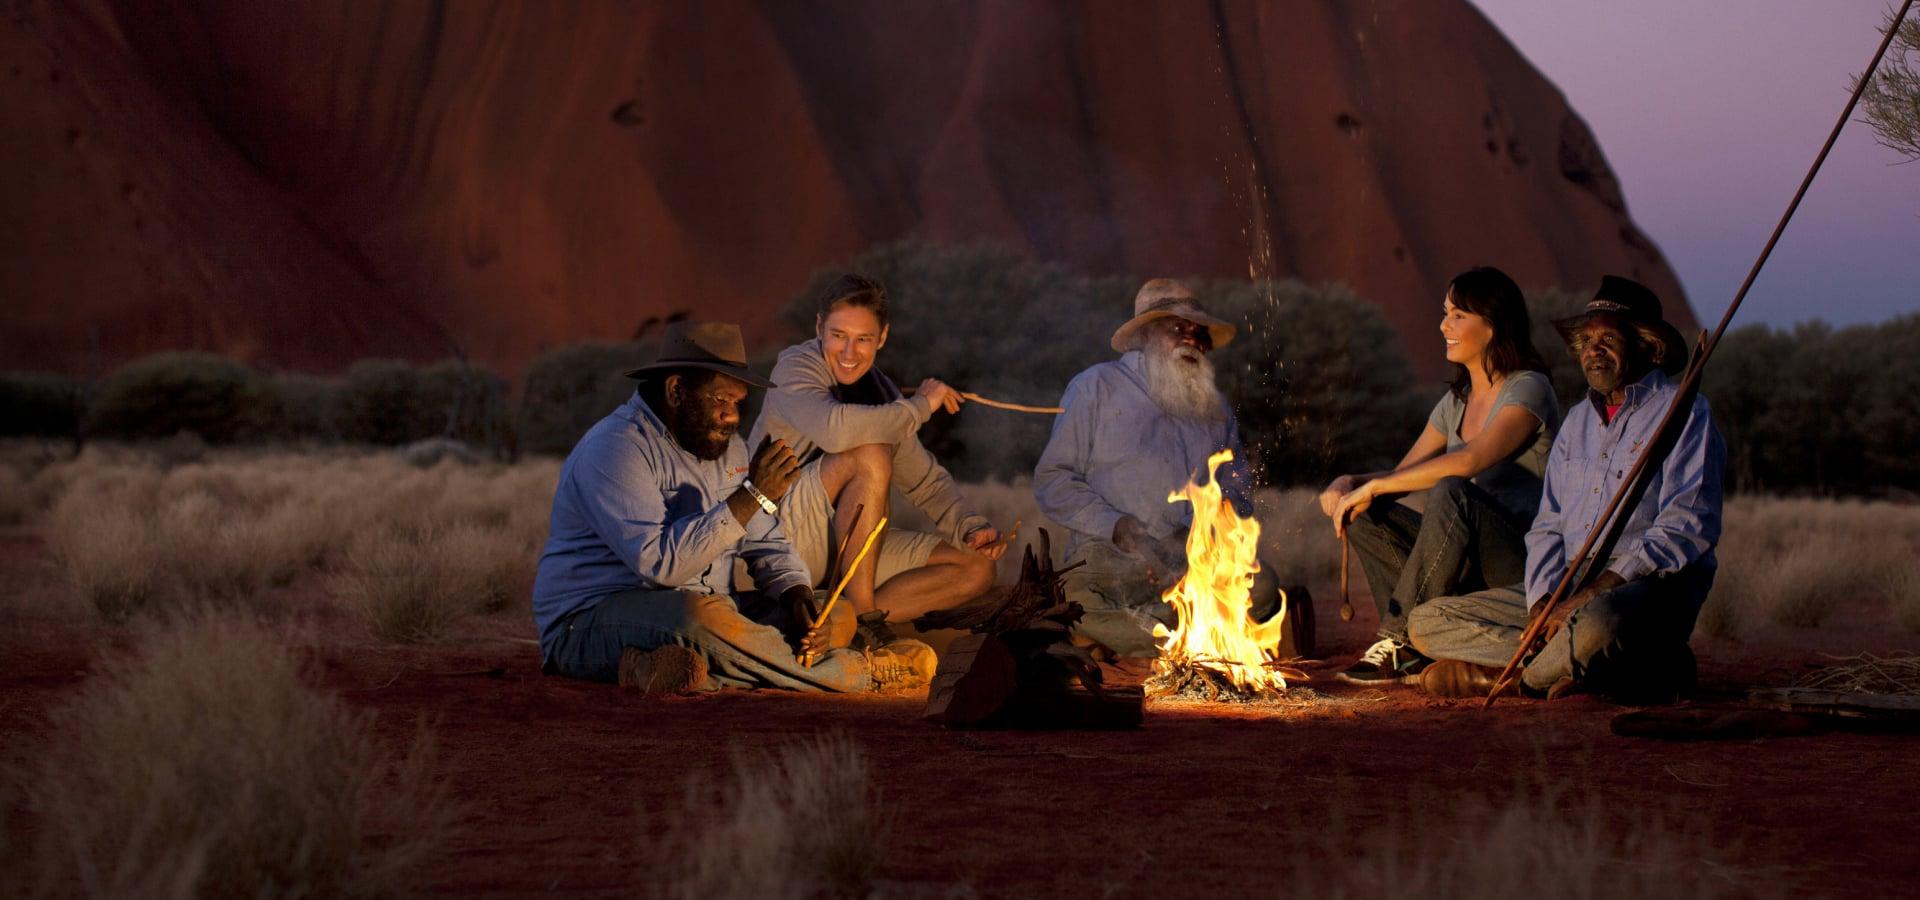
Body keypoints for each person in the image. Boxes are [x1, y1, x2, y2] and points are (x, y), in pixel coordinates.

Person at [532, 321, 938, 694]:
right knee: (699, 618)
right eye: (721, 399)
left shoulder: (729, 448)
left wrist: (796, 596)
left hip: (711, 609)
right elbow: (661, 567)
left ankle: (668, 669)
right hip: (590, 622)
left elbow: (765, 541)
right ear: (676, 392)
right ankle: (857, 675)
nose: (732, 416)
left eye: (739, 403)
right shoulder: (616, 448)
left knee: (839, 614)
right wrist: (751, 496)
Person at [1407, 276, 1724, 703]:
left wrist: (1595, 592)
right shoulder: (1577, 423)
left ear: (1650, 346)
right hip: (1569, 585)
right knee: (1427, 621)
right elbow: (1548, 526)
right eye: (1586, 340)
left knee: (1599, 625)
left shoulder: (1683, 413)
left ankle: (1518, 676)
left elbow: (1686, 527)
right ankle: (1608, 668)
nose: (1593, 350)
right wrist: (1542, 601)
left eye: (1609, 338)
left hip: (1643, 588)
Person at [1034, 278, 1308, 659]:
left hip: (1190, 562)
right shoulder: (1094, 387)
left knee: (1263, 587)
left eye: (1198, 332)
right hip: (1109, 560)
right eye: (1178, 328)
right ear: (1145, 334)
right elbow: (1053, 480)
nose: (1191, 339)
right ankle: (1186, 639)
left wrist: (1196, 535)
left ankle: (1141, 639)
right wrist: (1117, 526)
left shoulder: (1215, 408)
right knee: (1076, 603)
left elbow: (1238, 489)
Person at [1319, 267, 1562, 684]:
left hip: (1517, 566)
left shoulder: (1529, 389)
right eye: (1444, 313)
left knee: (1454, 491)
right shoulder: (1456, 402)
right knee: (1366, 510)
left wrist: (1375, 485)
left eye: (1457, 315)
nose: (1443, 325)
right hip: (1461, 559)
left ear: (1492, 325)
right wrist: (1354, 483)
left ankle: (1398, 641)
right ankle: (1413, 645)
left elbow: (1470, 462)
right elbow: (1406, 474)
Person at [748, 274, 1007, 646]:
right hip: (780, 537)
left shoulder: (881, 393)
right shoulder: (795, 368)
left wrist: (969, 524)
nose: (849, 352)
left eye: (863, 339)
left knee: (977, 569)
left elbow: (923, 480)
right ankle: (864, 617)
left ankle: (841, 623)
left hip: (842, 548)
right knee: (870, 452)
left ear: (882, 337)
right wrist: (920, 406)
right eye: (839, 335)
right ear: (820, 327)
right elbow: (834, 430)